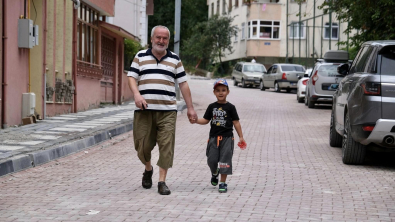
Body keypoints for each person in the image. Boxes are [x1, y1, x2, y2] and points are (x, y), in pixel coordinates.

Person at [127, 25, 197, 195]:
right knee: (142, 147)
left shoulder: (174, 59)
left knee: (166, 145)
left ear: (168, 40)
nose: (161, 41)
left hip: (167, 111)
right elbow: (131, 77)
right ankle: (148, 168)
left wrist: (190, 108)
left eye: (165, 38)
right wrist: (137, 95)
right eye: (158, 37)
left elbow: (183, 83)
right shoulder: (140, 56)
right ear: (152, 39)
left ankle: (162, 181)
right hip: (144, 110)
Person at [193, 78, 246, 193]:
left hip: (227, 138)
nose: (221, 92)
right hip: (213, 138)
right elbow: (206, 120)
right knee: (211, 160)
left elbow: (236, 122)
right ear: (214, 92)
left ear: (228, 92)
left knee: (225, 160)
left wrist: (241, 136)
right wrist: (196, 120)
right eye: (218, 90)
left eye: (223, 90)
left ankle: (222, 183)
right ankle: (214, 172)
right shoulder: (212, 107)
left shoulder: (231, 107)